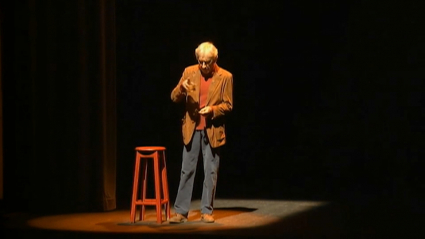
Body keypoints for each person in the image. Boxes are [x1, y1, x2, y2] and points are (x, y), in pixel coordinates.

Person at [169, 42, 233, 223]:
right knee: (186, 170)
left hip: (212, 130)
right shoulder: (189, 72)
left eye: (207, 62)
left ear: (215, 60)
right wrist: (182, 88)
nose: (203, 66)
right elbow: (174, 97)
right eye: (201, 61)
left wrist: (212, 110)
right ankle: (181, 212)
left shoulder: (225, 77)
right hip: (192, 128)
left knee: (210, 171)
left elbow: (228, 105)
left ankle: (207, 210)